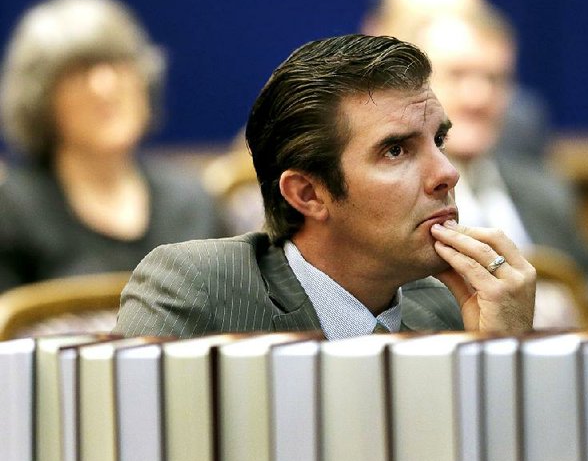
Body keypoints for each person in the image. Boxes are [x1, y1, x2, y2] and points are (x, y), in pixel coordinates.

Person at [114, 34, 536, 339]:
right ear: (308, 194)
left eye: (438, 140)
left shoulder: (451, 305)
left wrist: (500, 356)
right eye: (395, 150)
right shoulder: (198, 289)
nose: (447, 173)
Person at [408, 5, 588, 333]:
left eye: (496, 79)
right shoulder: (405, 195)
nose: (479, 97)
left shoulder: (539, 185)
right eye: (457, 75)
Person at [0, 0, 224, 293]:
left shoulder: (191, 201)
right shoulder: (11, 213)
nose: (104, 87)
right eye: (78, 71)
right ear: (41, 100)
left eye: (117, 64)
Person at [361, 0, 551, 163]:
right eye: (422, 21)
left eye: (470, 16)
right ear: (377, 31)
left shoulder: (519, 126)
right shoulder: (345, 119)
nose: (477, 96)